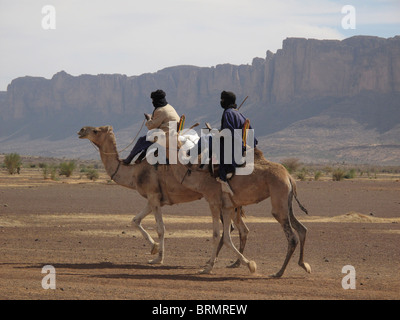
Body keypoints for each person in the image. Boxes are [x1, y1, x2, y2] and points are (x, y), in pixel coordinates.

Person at [123, 90, 180, 165]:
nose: (152, 102)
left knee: (142, 140)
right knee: (148, 139)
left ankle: (129, 159)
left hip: (166, 135)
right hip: (172, 133)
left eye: (153, 100)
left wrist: (148, 119)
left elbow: (151, 126)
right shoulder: (169, 107)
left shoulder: (161, 110)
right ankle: (139, 159)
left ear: (156, 100)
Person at [216, 90, 258, 194]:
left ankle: (223, 176)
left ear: (225, 101)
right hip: (242, 145)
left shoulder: (227, 113)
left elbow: (228, 132)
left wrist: (218, 134)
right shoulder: (239, 114)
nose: (221, 101)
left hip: (235, 146)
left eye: (222, 99)